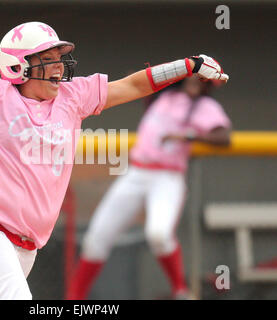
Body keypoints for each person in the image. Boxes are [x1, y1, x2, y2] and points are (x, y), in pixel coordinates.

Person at [0, 19, 229, 300]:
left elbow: (134, 85)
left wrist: (187, 65)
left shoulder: (71, 97)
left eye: (58, 58)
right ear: (18, 65)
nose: (58, 66)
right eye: (47, 59)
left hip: (25, 245)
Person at [66, 75, 232, 300]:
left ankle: (180, 291)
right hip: (137, 172)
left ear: (208, 85)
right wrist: (181, 72)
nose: (197, 82)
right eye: (194, 78)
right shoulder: (165, 96)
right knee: (95, 239)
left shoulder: (205, 106)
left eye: (202, 80)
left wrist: (189, 135)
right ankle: (74, 300)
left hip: (167, 175)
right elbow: (148, 81)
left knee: (158, 234)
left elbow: (223, 137)